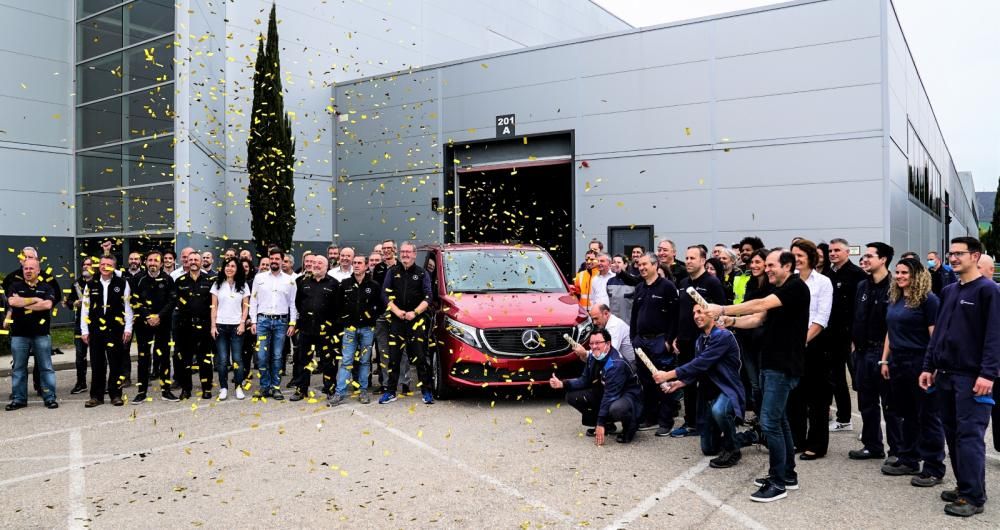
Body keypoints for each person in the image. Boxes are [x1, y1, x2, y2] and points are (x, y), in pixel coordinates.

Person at [707, 249, 810, 502]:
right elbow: (757, 318)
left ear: (787, 266)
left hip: (782, 367)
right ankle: (788, 475)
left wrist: (723, 308)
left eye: (772, 265)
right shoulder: (779, 290)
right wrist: (730, 321)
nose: (767, 269)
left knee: (770, 423)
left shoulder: (795, 288)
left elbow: (760, 305)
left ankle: (777, 482)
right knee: (779, 420)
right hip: (770, 363)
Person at [920, 237, 1000, 517]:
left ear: (975, 256)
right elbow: (939, 334)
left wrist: (988, 374)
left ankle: (973, 497)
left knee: (969, 437)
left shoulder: (989, 291)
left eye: (959, 254)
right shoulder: (950, 291)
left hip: (972, 378)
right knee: (953, 434)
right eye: (950, 254)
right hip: (945, 375)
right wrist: (928, 366)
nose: (952, 258)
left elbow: (995, 336)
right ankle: (965, 485)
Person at [879, 258, 945, 485]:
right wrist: (885, 360)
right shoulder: (896, 299)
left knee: (927, 416)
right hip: (897, 362)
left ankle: (934, 467)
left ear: (917, 275)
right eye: (897, 272)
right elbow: (890, 331)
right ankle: (909, 459)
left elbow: (935, 337)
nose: (899, 276)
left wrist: (931, 366)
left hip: (919, 363)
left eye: (905, 272)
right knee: (906, 414)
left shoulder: (929, 300)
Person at [654, 304, 746, 468]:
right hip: (709, 395)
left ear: (712, 314)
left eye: (700, 312)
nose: (696, 316)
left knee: (720, 410)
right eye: (694, 313)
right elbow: (698, 370)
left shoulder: (723, 336)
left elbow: (700, 363)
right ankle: (748, 437)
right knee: (709, 448)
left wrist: (668, 375)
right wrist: (678, 383)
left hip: (727, 390)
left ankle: (733, 450)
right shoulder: (700, 340)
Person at [849, 242, 904, 463]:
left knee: (891, 405)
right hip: (862, 353)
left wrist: (886, 357)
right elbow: (856, 316)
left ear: (883, 260)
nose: (865, 259)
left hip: (884, 352)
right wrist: (854, 347)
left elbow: (895, 324)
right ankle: (872, 445)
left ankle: (897, 451)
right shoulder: (862, 286)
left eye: (870, 256)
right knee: (866, 402)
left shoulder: (895, 286)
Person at [551, 328, 642, 445]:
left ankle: (630, 427)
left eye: (598, 343)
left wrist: (600, 423)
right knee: (572, 396)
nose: (594, 347)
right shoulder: (593, 356)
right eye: (591, 343)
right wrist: (563, 383)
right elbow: (584, 380)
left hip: (628, 396)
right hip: (607, 390)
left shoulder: (615, 364)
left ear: (608, 344)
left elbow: (610, 396)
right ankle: (608, 425)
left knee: (616, 409)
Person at [673, 246, 727, 438]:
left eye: (692, 258)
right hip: (685, 341)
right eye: (686, 258)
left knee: (705, 383)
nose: (688, 261)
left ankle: (708, 423)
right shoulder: (683, 282)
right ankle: (690, 422)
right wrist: (676, 336)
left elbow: (721, 311)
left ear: (703, 261)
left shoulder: (712, 282)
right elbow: (680, 312)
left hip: (705, 342)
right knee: (687, 381)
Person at [787, 239, 833, 460]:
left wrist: (802, 341)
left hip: (815, 344)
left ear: (811, 257)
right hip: (792, 344)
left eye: (800, 255)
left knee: (817, 398)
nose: (796, 259)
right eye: (793, 255)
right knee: (795, 395)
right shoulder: (790, 281)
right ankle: (797, 439)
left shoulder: (823, 282)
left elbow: (822, 317)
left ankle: (816, 444)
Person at [629, 252, 680, 436]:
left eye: (645, 264)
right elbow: (634, 315)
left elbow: (675, 316)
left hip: (660, 341)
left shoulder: (667, 287)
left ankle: (666, 421)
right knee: (646, 382)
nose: (641, 268)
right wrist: (633, 338)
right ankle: (651, 417)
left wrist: (669, 340)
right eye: (639, 265)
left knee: (664, 382)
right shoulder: (639, 288)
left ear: (655, 265)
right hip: (641, 342)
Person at [379, 241, 434, 405]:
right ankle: (390, 392)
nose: (405, 255)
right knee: (394, 357)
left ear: (414, 254)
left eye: (408, 252)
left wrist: (414, 313)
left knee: (420, 357)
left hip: (416, 320)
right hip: (397, 320)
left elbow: (428, 297)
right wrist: (397, 311)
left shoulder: (422, 273)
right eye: (403, 252)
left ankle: (426, 391)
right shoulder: (392, 272)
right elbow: (384, 294)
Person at [3, 257, 59, 410]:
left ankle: (50, 398)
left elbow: (47, 305)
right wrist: (35, 299)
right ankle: (19, 399)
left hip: (41, 334)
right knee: (18, 369)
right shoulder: (15, 286)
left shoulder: (47, 287)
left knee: (45, 367)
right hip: (19, 334)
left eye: (31, 268)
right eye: (26, 268)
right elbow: (12, 302)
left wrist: (23, 303)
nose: (28, 271)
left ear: (38, 271)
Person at [824, 238, 867, 432]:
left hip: (851, 336)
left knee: (859, 381)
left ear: (847, 252)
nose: (833, 254)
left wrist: (855, 336)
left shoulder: (857, 274)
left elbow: (860, 308)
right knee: (836, 378)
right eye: (831, 251)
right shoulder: (828, 274)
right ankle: (844, 419)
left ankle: (868, 427)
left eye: (837, 250)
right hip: (832, 335)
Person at [80, 255, 134, 407]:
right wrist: (84, 330)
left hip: (115, 329)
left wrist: (128, 328)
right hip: (95, 330)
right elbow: (85, 308)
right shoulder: (91, 284)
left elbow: (128, 307)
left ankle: (116, 395)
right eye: (102, 264)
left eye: (108, 264)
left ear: (114, 267)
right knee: (97, 363)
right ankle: (96, 396)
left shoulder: (122, 283)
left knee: (116, 363)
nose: (105, 267)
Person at [330, 254, 382, 406]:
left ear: (366, 266)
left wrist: (372, 319)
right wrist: (344, 321)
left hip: (367, 329)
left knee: (365, 361)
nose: (357, 265)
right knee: (346, 361)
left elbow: (380, 306)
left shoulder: (374, 285)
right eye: (355, 263)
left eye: (360, 263)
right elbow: (337, 305)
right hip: (349, 329)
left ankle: (363, 391)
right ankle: (339, 393)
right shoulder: (345, 284)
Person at [249, 248, 298, 400]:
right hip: (262, 321)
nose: (274, 261)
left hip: (281, 322)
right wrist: (253, 321)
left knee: (277, 356)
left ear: (282, 261)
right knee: (262, 356)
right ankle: (264, 386)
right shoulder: (259, 278)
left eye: (277, 259)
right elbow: (253, 300)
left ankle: (275, 387)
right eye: (272, 258)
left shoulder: (290, 280)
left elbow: (293, 304)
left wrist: (292, 323)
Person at [131, 250, 178, 403]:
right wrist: (147, 316)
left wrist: (159, 316)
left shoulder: (168, 279)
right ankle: (141, 392)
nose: (153, 263)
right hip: (143, 324)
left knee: (164, 357)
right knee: (143, 357)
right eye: (150, 260)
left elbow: (172, 301)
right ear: (145, 262)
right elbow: (134, 300)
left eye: (156, 261)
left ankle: (166, 390)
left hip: (162, 323)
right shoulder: (138, 279)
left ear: (161, 263)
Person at [292, 256, 339, 401]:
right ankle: (301, 389)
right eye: (314, 263)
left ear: (326, 266)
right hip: (306, 329)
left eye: (320, 263)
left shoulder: (334, 283)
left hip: (326, 331)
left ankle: (330, 389)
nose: (316, 265)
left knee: (328, 361)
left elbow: (338, 308)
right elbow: (298, 303)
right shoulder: (303, 282)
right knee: (303, 360)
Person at [735, 249, 772, 417]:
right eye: (752, 262)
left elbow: (759, 312)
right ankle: (759, 417)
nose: (754, 265)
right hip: (747, 339)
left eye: (758, 262)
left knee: (764, 383)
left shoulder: (772, 287)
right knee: (754, 383)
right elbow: (745, 307)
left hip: (764, 341)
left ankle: (766, 419)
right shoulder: (750, 283)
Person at [173, 251, 215, 400]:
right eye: (190, 260)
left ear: (201, 262)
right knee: (186, 360)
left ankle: (206, 388)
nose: (193, 262)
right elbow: (175, 303)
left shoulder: (210, 280)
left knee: (205, 359)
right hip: (185, 326)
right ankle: (186, 389)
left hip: (204, 325)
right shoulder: (180, 281)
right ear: (187, 262)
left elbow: (214, 304)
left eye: (196, 259)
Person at [210, 257, 250, 401]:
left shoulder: (243, 285)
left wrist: (242, 323)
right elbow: (214, 307)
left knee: (237, 358)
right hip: (220, 326)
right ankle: (223, 388)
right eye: (227, 266)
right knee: (222, 359)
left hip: (236, 326)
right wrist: (213, 325)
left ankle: (238, 387)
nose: (229, 268)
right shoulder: (217, 284)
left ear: (237, 269)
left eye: (233, 266)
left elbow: (246, 307)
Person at [67, 257, 97, 395]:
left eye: (89, 264)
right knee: (80, 355)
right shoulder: (76, 283)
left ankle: (99, 382)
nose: (86, 266)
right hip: (80, 323)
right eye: (84, 264)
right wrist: (74, 303)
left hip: (97, 323)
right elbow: (68, 302)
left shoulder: (99, 282)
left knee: (98, 355)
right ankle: (81, 382)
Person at [606, 255, 635, 321]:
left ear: (625, 264)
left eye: (619, 262)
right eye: (614, 262)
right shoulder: (610, 281)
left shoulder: (633, 280)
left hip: (628, 322)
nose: (616, 265)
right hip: (613, 322)